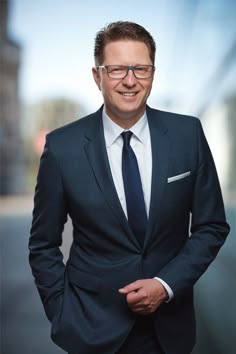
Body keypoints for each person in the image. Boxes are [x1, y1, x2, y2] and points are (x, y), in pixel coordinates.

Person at [29, 21, 230, 354]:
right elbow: (42, 244)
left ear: (153, 73)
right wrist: (61, 313)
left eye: (141, 68)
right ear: (97, 76)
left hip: (170, 331)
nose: (130, 80)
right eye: (118, 69)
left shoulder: (188, 135)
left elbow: (212, 226)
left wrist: (166, 285)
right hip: (90, 330)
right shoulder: (62, 148)